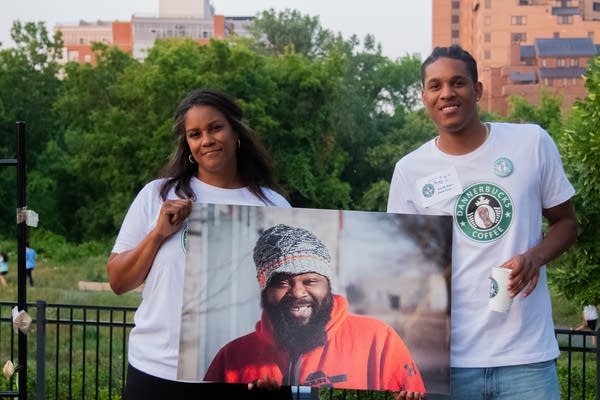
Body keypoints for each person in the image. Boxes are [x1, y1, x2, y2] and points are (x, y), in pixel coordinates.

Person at [387, 45, 578, 399]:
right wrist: (408, 359)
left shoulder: (531, 143)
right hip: (448, 362)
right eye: (435, 85)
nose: (447, 93)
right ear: (424, 96)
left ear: (477, 89)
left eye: (458, 82)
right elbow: (405, 271)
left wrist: (534, 258)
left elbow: (566, 223)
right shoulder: (409, 171)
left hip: (526, 359)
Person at [106, 88, 291, 399]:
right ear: (188, 145)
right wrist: (158, 234)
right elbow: (118, 281)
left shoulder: (273, 205)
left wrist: (275, 359)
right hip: (158, 371)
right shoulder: (157, 195)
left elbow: (284, 293)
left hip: (241, 373)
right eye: (195, 134)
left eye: (215, 128)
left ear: (236, 133)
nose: (206, 140)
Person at [204, 224, 426, 399]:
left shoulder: (378, 341)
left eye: (311, 280)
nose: (298, 292)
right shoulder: (232, 358)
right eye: (282, 283)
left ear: (328, 284)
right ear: (265, 288)